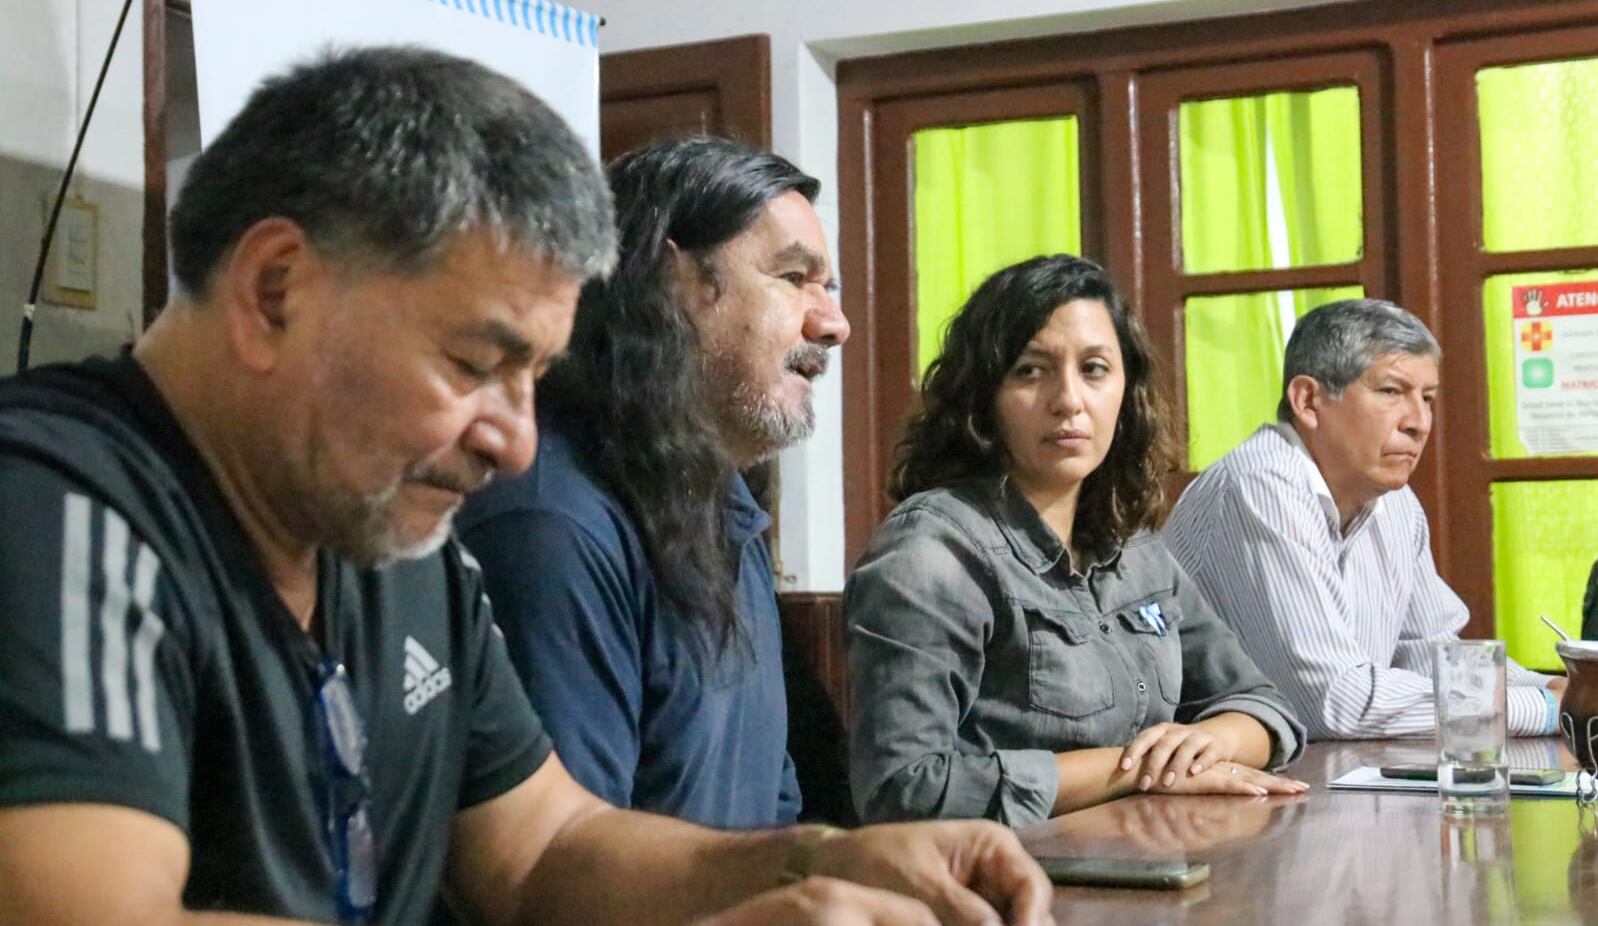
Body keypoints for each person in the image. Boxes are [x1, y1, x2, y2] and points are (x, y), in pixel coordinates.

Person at [0, 47, 1056, 926]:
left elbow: (548, 841)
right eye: (472, 363)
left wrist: (822, 860)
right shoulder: (54, 503)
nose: (512, 443)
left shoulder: (393, 537)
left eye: (532, 376)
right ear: (277, 290)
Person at [455, 136, 844, 829]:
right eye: (793, 278)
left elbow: (771, 803)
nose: (833, 322)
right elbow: (567, 871)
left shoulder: (726, 504)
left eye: (829, 288)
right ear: (671, 280)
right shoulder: (553, 524)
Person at [844, 255, 1307, 828]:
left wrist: (1207, 742)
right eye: (1030, 371)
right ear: (982, 396)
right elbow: (902, 790)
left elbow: (1266, 708)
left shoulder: (1135, 550)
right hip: (996, 888)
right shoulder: (931, 552)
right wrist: (1134, 769)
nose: (1069, 400)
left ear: (1125, 390)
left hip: (1141, 869)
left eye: (1093, 369)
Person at [1163, 298, 1566, 740]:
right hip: (1200, 784)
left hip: (1318, 777)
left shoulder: (1396, 502)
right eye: (1391, 392)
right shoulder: (1259, 485)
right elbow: (1335, 702)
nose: (1419, 422)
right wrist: (1543, 709)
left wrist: (1560, 688)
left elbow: (1430, 653)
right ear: (1308, 401)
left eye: (1427, 398)